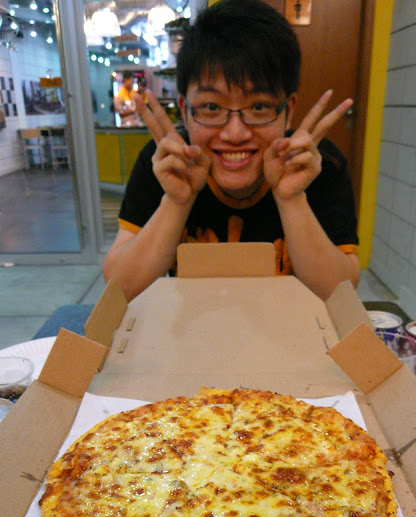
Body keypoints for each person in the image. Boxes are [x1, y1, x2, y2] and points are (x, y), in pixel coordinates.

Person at [103, 0, 360, 302]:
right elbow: (119, 289)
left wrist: (292, 199)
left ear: (288, 111)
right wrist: (176, 201)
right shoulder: (165, 163)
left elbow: (340, 295)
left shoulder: (317, 165)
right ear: (185, 110)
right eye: (211, 107)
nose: (235, 134)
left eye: (259, 106)